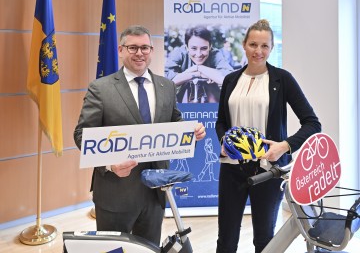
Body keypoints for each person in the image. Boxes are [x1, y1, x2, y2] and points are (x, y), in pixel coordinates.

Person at [73, 25, 206, 246]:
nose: (139, 53)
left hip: (155, 193)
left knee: (149, 248)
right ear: (121, 50)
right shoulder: (101, 88)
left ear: (152, 50)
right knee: (114, 250)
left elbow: (174, 120)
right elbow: (82, 134)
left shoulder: (167, 86)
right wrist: (109, 163)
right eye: (132, 47)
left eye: (145, 47)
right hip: (116, 192)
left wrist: (190, 131)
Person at [215, 19, 321, 253]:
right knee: (225, 240)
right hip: (232, 168)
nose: (258, 51)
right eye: (253, 44)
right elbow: (221, 121)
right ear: (244, 45)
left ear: (271, 48)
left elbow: (313, 123)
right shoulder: (230, 79)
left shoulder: (282, 79)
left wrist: (284, 146)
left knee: (264, 241)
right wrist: (224, 141)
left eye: (264, 46)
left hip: (269, 170)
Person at [165, 25, 233, 103]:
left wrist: (199, 68)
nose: (198, 54)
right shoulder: (179, 53)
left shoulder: (215, 54)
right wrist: (198, 73)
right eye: (194, 48)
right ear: (187, 47)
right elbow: (165, 82)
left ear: (210, 47)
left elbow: (228, 79)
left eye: (204, 48)